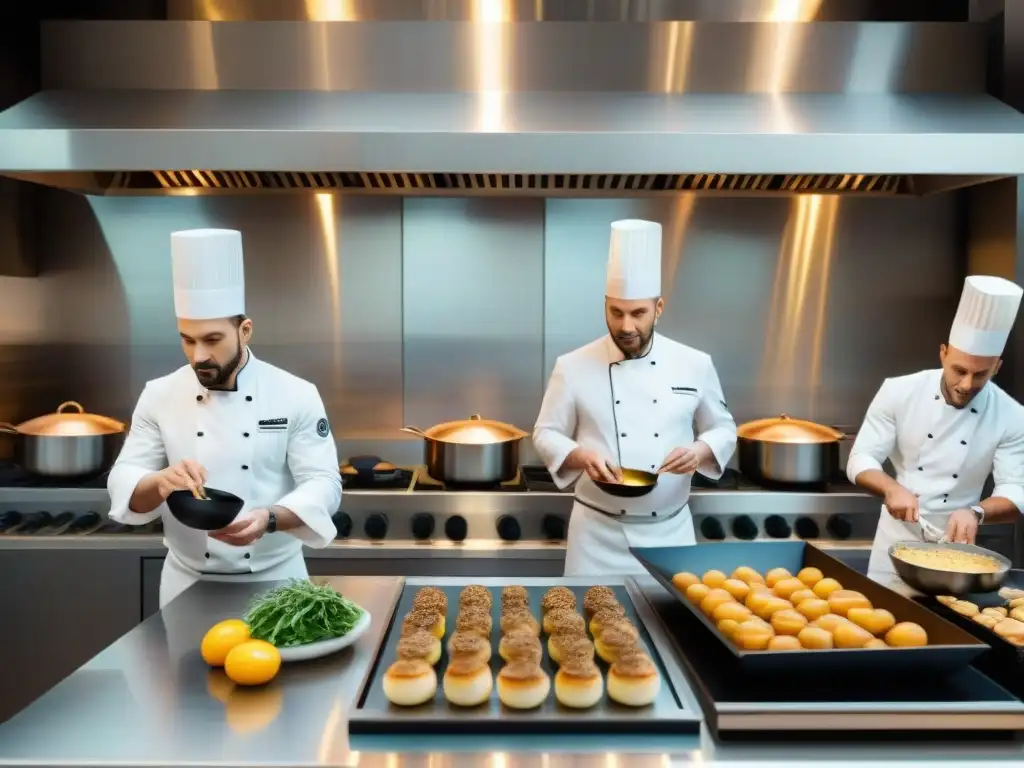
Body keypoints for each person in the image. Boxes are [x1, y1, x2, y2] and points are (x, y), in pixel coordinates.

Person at [107, 228, 341, 608]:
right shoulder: (159, 394)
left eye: (212, 340)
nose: (198, 355)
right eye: (188, 339)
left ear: (244, 331)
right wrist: (160, 482)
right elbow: (124, 478)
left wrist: (269, 518)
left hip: (279, 583)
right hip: (185, 583)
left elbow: (324, 484)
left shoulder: (295, 393)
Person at [533, 219, 737, 576]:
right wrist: (579, 455)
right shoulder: (573, 365)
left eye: (638, 313)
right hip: (595, 537)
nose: (627, 326)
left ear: (658, 308)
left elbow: (723, 429)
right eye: (616, 312)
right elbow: (545, 433)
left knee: (670, 628)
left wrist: (700, 451)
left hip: (671, 535)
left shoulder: (695, 364)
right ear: (605, 305)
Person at [847, 275, 1024, 584]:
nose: (967, 384)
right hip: (895, 543)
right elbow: (861, 458)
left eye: (981, 374)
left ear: (997, 367)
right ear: (943, 353)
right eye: (959, 370)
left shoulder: (1012, 415)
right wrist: (892, 488)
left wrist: (976, 513)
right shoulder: (899, 391)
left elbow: (1016, 491)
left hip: (959, 552)